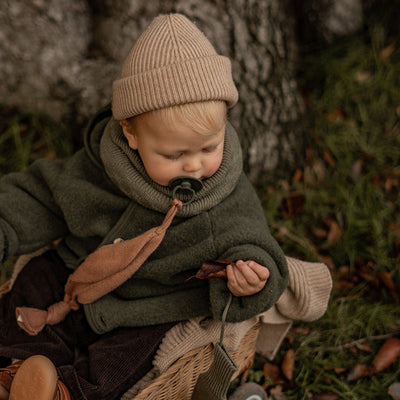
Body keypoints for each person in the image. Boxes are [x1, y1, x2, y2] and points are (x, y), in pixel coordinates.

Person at [0, 13, 288, 400]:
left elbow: (253, 240)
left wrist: (252, 275)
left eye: (209, 147)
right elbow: (44, 196)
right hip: (77, 272)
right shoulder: (103, 166)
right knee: (31, 285)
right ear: (130, 134)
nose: (194, 165)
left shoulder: (222, 196)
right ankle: (18, 372)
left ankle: (66, 393)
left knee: (127, 357)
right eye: (174, 153)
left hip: (148, 305)